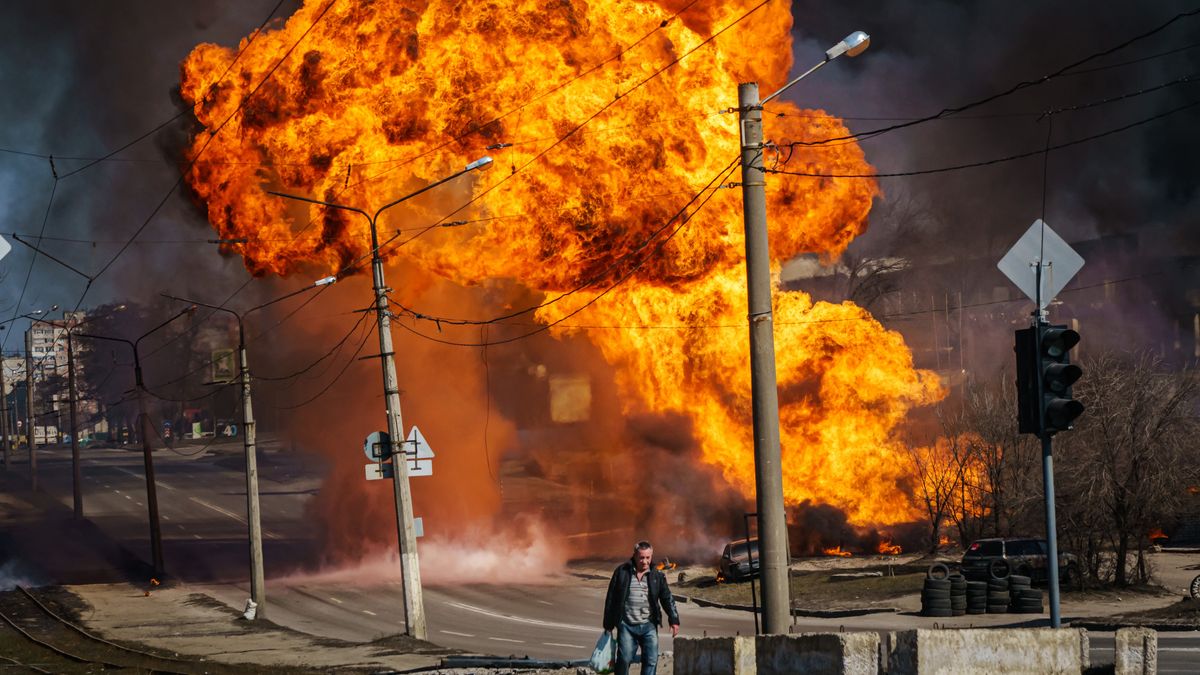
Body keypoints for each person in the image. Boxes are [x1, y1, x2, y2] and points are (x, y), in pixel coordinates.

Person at [603, 540, 680, 675]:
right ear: (634, 555)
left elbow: (667, 598)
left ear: (651, 556)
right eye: (641, 557)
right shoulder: (621, 572)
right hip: (627, 625)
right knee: (624, 659)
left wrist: (674, 620)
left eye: (648, 558)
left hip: (648, 626)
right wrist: (608, 626)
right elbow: (611, 599)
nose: (644, 561)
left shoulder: (657, 575)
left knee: (651, 661)